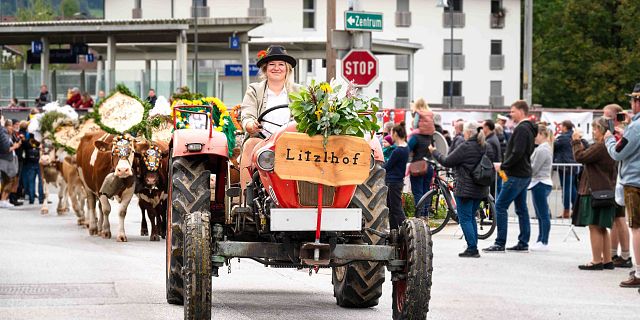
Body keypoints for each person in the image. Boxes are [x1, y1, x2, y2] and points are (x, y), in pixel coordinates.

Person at [239, 45, 302, 189]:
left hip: (292, 140)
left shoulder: (299, 91)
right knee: (249, 145)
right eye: (272, 64)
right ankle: (245, 198)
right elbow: (247, 114)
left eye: (281, 65)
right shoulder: (255, 89)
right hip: (262, 140)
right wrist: (250, 125)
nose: (276, 68)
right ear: (265, 69)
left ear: (287, 69)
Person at [484, 100, 537, 253]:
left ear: (521, 111)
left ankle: (500, 242)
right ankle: (523, 242)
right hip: (523, 173)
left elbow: (517, 152)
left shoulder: (522, 129)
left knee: (500, 206)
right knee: (521, 208)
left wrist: (504, 165)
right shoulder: (528, 128)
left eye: (513, 111)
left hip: (516, 174)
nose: (510, 114)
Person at [430, 122, 489, 258]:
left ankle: (472, 248)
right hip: (480, 187)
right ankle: (473, 245)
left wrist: (434, 152)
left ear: (468, 133)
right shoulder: (483, 145)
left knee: (465, 218)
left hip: (465, 188)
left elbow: (447, 161)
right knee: (471, 217)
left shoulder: (466, 146)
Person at [605, 83, 640, 289]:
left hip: (635, 182)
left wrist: (610, 139)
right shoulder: (634, 125)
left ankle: (638, 272)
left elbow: (618, 152)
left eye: (633, 100)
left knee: (636, 227)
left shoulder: (636, 127)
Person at [572, 117, 617, 270]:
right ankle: (607, 260)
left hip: (594, 191)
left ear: (603, 131)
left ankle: (596, 260)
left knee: (594, 226)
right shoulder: (610, 146)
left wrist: (576, 141)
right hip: (606, 190)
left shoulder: (600, 146)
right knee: (602, 226)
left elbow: (580, 156)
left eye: (596, 129)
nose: (593, 131)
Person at [602, 103, 632, 268]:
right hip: (614, 179)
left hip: (619, 179)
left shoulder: (624, 133)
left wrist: (611, 139)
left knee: (621, 219)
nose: (604, 119)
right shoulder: (619, 132)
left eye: (606, 116)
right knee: (614, 219)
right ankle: (614, 253)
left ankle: (626, 255)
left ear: (615, 117)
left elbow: (617, 154)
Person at [408, 98, 435, 220]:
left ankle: (419, 217)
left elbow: (406, 150)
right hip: (429, 166)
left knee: (418, 192)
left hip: (418, 166)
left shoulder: (416, 137)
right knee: (426, 191)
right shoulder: (430, 137)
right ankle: (426, 216)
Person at [529, 123, 554, 251]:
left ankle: (544, 241)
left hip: (540, 183)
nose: (534, 137)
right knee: (541, 214)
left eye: (535, 135)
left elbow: (534, 168)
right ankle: (541, 240)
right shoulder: (543, 148)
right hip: (540, 182)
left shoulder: (543, 149)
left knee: (543, 214)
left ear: (541, 134)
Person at [383, 122, 410, 230]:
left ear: (395, 134)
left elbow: (388, 166)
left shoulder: (397, 151)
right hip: (398, 181)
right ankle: (394, 231)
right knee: (393, 207)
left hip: (393, 181)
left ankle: (406, 228)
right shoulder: (406, 148)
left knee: (396, 208)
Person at [554, 120, 578, 219]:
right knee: (572, 187)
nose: (560, 128)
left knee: (566, 188)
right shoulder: (575, 136)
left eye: (561, 126)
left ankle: (567, 210)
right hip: (574, 165)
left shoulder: (563, 138)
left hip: (565, 165)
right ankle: (576, 210)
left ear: (564, 127)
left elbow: (553, 146)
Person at [0, 119, 21, 208]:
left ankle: (4, 199)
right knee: (9, 180)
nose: (12, 128)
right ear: (7, 126)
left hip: (8, 159)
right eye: (11, 126)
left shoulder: (8, 134)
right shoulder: (4, 134)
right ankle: (3, 200)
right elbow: (6, 149)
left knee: (8, 180)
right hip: (6, 161)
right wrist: (15, 146)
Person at [484, 119, 502, 199]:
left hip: (493, 172)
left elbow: (489, 159)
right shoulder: (493, 138)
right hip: (497, 171)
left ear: (487, 127)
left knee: (492, 195)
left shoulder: (490, 141)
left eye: (482, 127)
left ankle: (492, 211)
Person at [8, 119, 24, 206]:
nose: (17, 126)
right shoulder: (10, 135)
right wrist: (18, 142)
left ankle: (14, 197)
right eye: (16, 124)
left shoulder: (15, 134)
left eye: (18, 124)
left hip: (19, 158)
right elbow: (13, 146)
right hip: (14, 158)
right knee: (14, 179)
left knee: (17, 179)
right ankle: (11, 197)